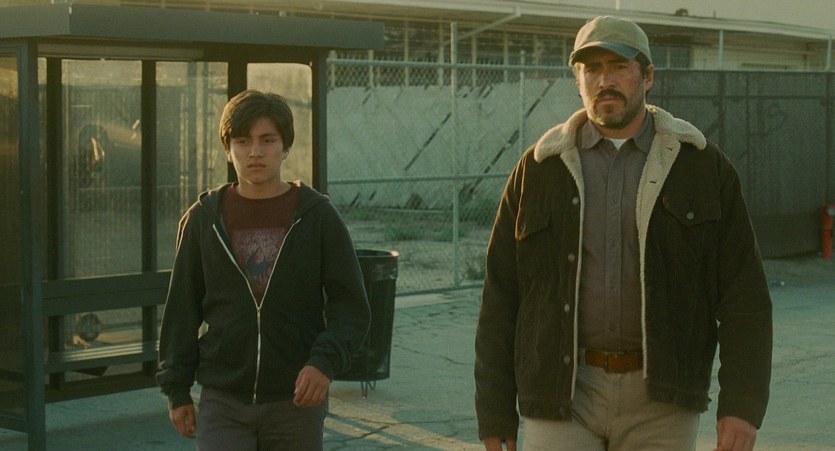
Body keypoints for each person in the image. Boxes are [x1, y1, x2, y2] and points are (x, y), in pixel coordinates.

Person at [474, 15, 772, 451]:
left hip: (662, 403)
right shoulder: (539, 169)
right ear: (578, 80)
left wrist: (742, 405)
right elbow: (501, 298)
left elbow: (745, 298)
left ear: (648, 76)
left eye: (618, 66)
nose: (604, 81)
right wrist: (495, 408)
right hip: (562, 396)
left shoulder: (699, 167)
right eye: (591, 69)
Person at [156, 90, 370, 450]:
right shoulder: (203, 220)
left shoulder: (317, 217)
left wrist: (324, 363)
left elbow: (351, 305)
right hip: (223, 399)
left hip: (295, 401)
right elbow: (181, 310)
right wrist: (176, 391)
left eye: (267, 140)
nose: (255, 151)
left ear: (285, 147)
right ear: (228, 150)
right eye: (243, 141)